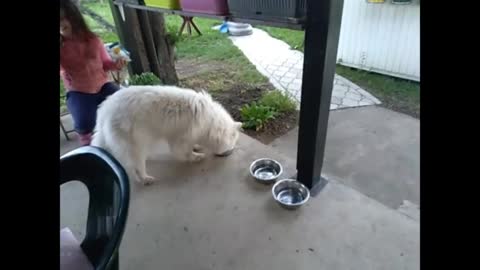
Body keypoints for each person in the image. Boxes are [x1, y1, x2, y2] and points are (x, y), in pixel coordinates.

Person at [60, 0, 126, 145]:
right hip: (79, 91)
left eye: (63, 20)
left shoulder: (93, 40)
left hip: (103, 85)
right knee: (84, 122)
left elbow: (105, 64)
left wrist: (117, 65)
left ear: (74, 18)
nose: (61, 25)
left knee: (124, 105)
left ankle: (122, 138)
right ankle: (91, 149)